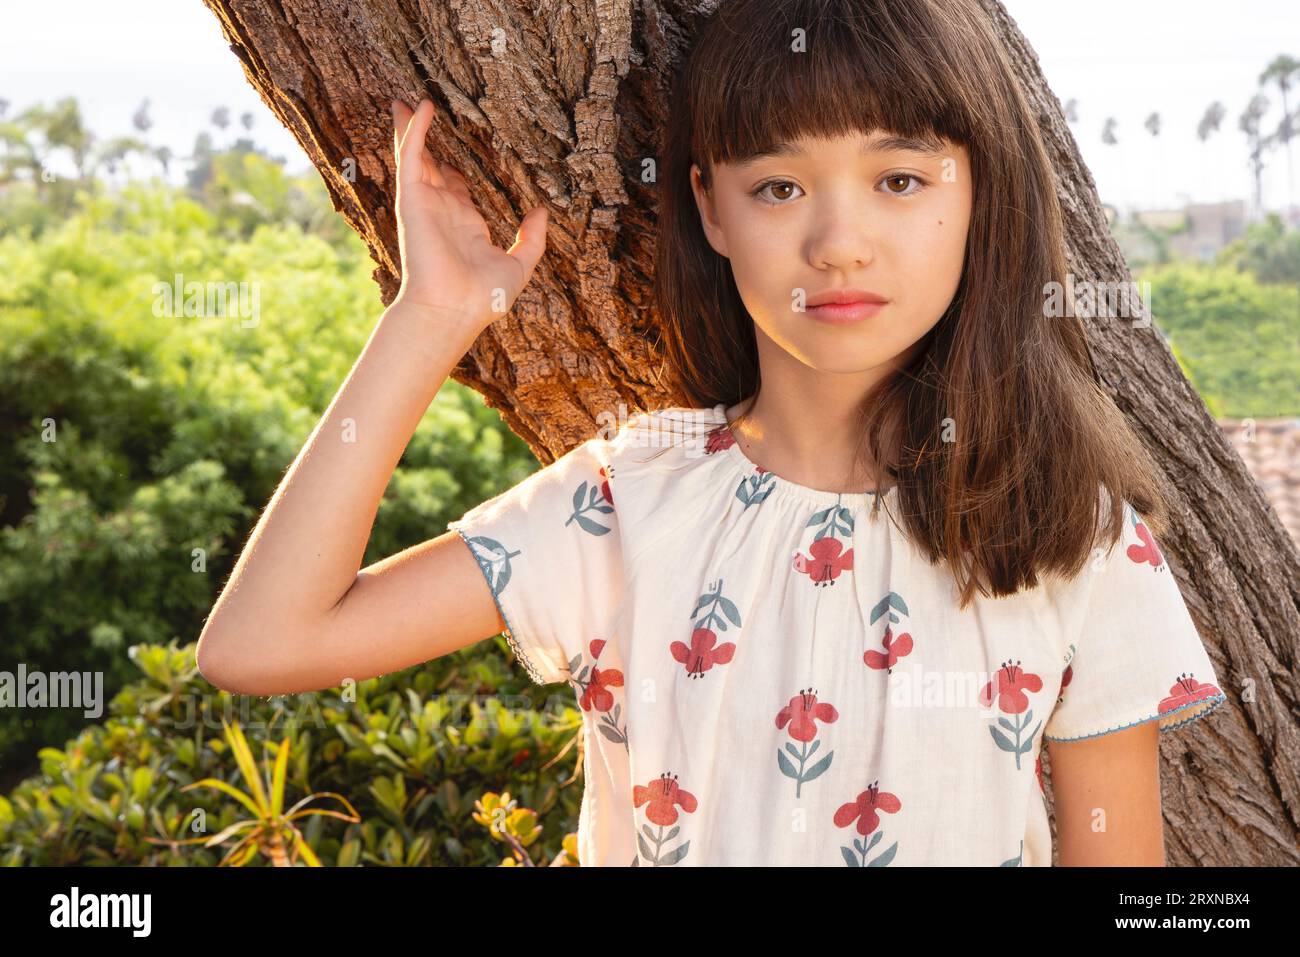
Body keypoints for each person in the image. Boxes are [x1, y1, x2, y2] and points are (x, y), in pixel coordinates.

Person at [196, 0, 1228, 867]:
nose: (836, 244)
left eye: (899, 180)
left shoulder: (1067, 531)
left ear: (979, 192)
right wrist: (430, 319)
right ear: (711, 207)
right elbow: (261, 644)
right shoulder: (621, 504)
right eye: (778, 187)